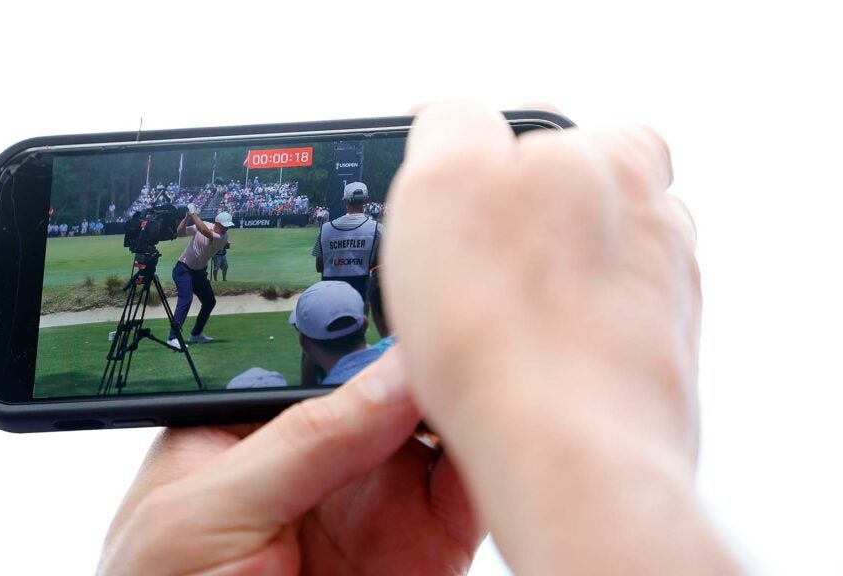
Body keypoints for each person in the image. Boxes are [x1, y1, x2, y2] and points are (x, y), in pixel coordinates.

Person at [97, 102, 743, 576]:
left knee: (231, 309)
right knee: (201, 297)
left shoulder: (303, 243)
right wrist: (615, 478)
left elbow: (324, 263)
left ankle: (215, 336)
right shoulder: (338, 243)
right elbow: (381, 263)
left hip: (335, 293)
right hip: (362, 297)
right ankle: (192, 334)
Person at [165, 207, 235, 348]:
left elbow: (204, 231)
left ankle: (196, 334)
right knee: (186, 299)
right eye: (224, 227)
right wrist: (186, 217)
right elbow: (180, 233)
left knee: (209, 301)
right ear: (216, 223)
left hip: (198, 272)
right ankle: (173, 338)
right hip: (183, 269)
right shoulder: (204, 226)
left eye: (228, 227)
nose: (226, 230)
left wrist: (193, 213)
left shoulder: (221, 238)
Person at [312, 182, 383, 300]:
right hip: (360, 294)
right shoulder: (378, 229)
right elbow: (378, 265)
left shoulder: (325, 229)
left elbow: (319, 267)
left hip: (330, 294)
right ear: (366, 200)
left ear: (344, 201)